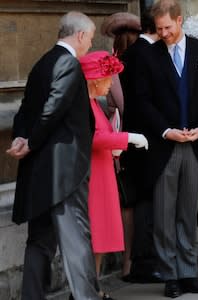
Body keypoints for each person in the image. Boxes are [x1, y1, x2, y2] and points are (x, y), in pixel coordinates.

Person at [6, 11, 100, 300]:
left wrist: (21, 138)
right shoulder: (68, 63)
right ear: (81, 35)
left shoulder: (40, 63)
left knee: (40, 240)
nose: (90, 45)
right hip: (65, 172)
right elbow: (53, 109)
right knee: (76, 240)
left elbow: (26, 110)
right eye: (91, 39)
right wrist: (30, 141)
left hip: (40, 171)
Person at [134, 0, 198, 297]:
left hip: (196, 144)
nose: (164, 34)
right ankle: (169, 274)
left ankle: (188, 273)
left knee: (188, 211)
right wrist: (165, 130)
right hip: (164, 145)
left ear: (179, 20)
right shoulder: (148, 56)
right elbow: (142, 100)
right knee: (163, 214)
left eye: (168, 28)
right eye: (159, 30)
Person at [78, 51, 148, 299]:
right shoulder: (84, 105)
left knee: (99, 240)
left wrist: (117, 147)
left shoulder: (92, 103)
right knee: (94, 238)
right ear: (96, 80)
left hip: (102, 174)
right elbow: (93, 138)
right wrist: (127, 138)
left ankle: (93, 288)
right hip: (94, 179)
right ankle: (87, 289)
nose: (111, 85)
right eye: (108, 79)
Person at [117, 11, 164, 283]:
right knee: (148, 199)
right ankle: (145, 262)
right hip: (147, 137)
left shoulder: (133, 54)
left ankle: (143, 261)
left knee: (143, 199)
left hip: (136, 135)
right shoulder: (147, 55)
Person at [100, 11, 142, 280]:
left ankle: (127, 261)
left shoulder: (112, 66)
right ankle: (134, 258)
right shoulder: (148, 61)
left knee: (126, 202)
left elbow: (117, 106)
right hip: (143, 137)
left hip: (121, 139)